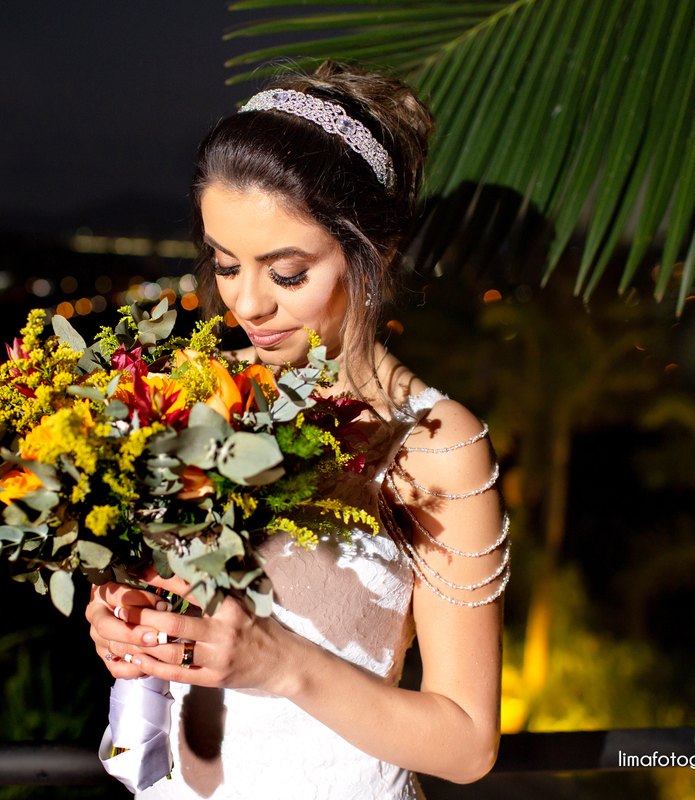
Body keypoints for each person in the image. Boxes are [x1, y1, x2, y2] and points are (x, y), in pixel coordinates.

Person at [85, 63, 506, 799]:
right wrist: (126, 619)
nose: (247, 302)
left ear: (376, 252)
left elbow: (467, 744)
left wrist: (280, 663)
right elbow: (173, 607)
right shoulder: (198, 393)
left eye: (286, 273)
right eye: (223, 263)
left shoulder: (436, 442)